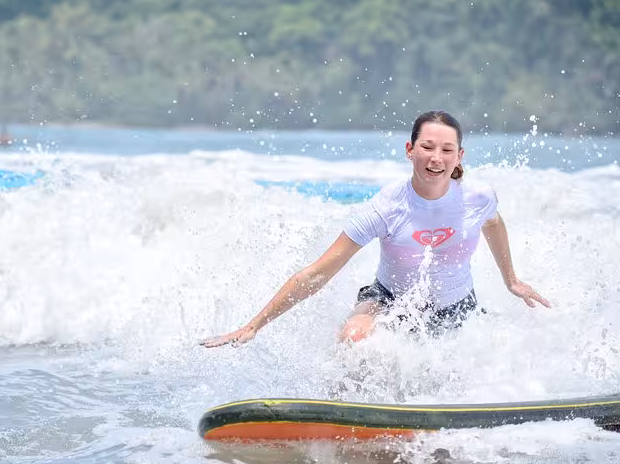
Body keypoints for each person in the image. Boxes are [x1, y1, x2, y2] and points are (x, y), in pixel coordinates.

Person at [200, 110, 550, 348]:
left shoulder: (478, 197)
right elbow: (317, 274)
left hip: (457, 308)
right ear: (410, 150)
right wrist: (254, 325)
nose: (436, 158)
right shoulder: (386, 207)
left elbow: (494, 224)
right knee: (354, 339)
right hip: (388, 300)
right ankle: (345, 409)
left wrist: (511, 280)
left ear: (460, 156)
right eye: (427, 147)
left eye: (447, 150)